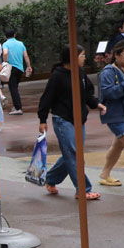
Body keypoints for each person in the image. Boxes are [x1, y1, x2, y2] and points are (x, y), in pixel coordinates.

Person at [37, 44, 104, 201]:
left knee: (72, 154)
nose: (84, 58)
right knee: (74, 154)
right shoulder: (58, 76)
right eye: (82, 55)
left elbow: (87, 92)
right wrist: (42, 119)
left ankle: (51, 179)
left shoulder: (80, 72)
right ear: (72, 58)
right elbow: (46, 98)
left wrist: (96, 104)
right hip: (62, 119)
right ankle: (83, 189)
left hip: (79, 118)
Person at [97, 40, 124, 187]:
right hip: (117, 116)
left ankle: (105, 174)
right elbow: (107, 93)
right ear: (117, 55)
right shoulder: (108, 72)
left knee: (118, 146)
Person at [1, 28, 32, 115]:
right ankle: (16, 106)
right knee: (15, 87)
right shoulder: (20, 43)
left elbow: (5, 53)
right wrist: (29, 66)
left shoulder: (5, 44)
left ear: (5, 36)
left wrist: (5, 62)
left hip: (11, 68)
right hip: (20, 68)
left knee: (13, 88)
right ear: (15, 35)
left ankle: (18, 108)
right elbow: (26, 56)